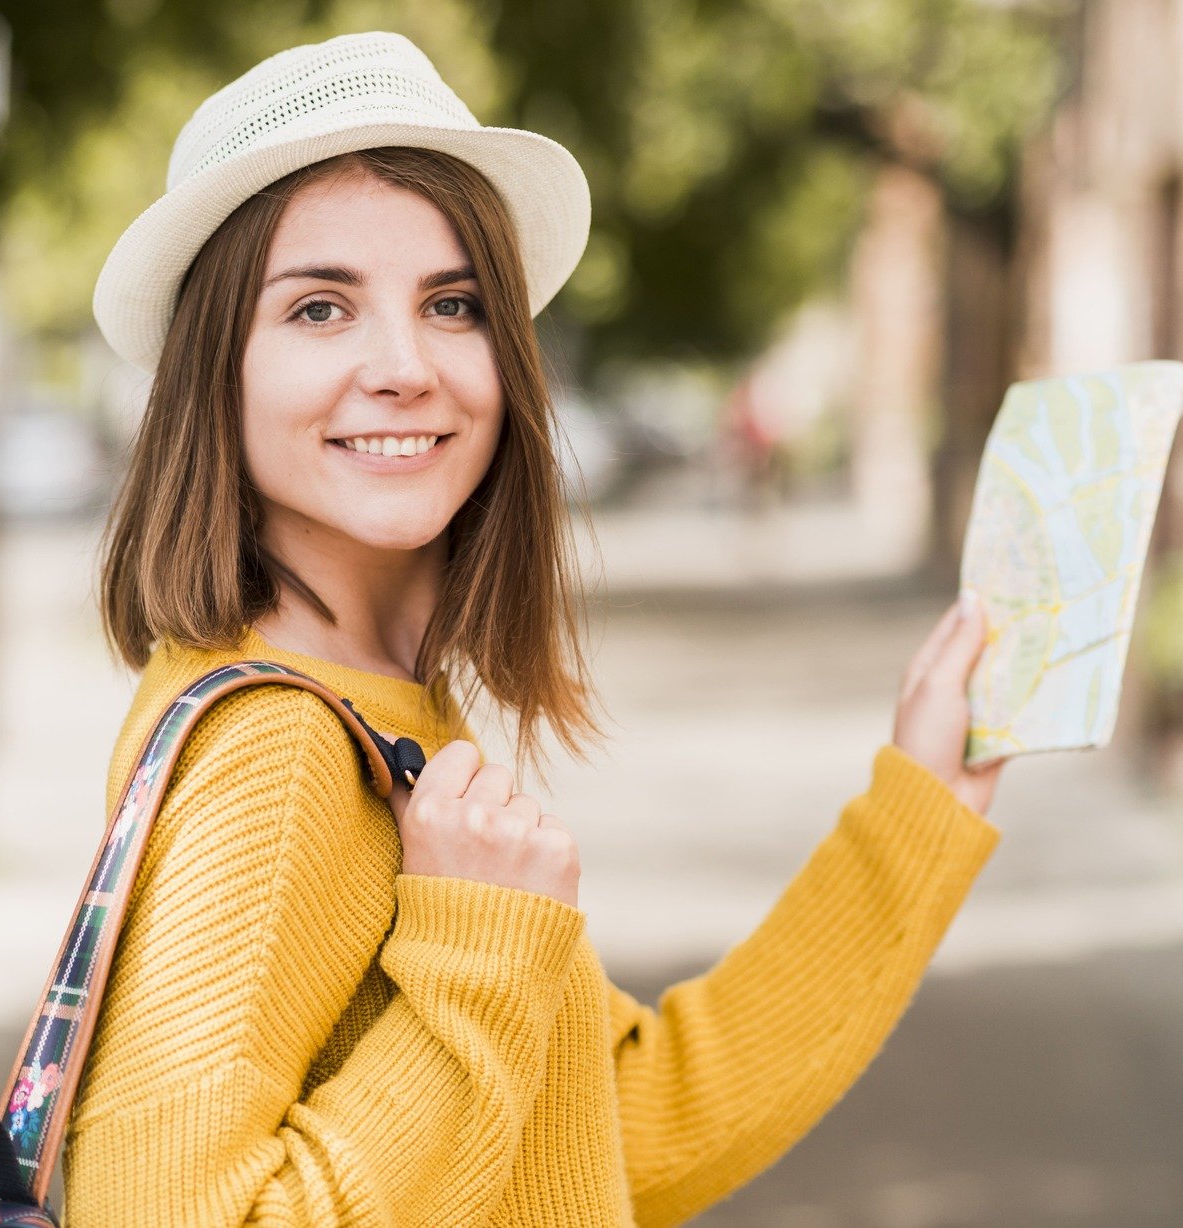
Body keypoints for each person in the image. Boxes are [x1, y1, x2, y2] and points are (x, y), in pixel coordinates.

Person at [63, 30, 1007, 1226]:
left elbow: (617, 1128)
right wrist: (472, 950)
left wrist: (923, 808)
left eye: (452, 304)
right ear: (215, 370)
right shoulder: (280, 755)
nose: (403, 365)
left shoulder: (381, 708)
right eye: (318, 307)